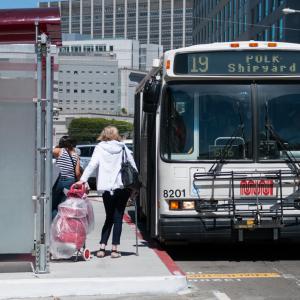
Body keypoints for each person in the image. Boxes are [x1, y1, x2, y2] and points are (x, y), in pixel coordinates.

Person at [76, 126, 137, 258]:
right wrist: (135, 186)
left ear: (103, 134)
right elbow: (132, 166)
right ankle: (115, 249)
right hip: (122, 187)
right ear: (116, 135)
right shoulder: (122, 147)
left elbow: (92, 164)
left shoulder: (100, 147)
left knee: (109, 217)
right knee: (118, 218)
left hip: (106, 188)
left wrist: (82, 180)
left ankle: (102, 247)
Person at [52, 136, 81, 218]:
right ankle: (63, 226)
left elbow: (47, 151)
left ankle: (54, 224)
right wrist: (79, 182)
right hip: (70, 182)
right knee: (65, 205)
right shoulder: (76, 156)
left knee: (54, 204)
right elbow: (78, 173)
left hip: (59, 181)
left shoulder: (60, 151)